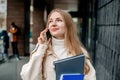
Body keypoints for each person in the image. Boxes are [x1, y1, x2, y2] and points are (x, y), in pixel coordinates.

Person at [20, 8, 96, 80]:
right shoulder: (41, 50)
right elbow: (28, 77)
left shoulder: (79, 51)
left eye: (59, 20)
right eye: (50, 21)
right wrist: (41, 47)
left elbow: (90, 77)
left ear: (68, 26)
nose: (53, 24)